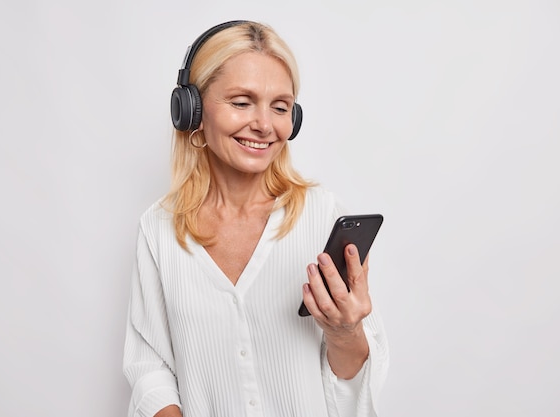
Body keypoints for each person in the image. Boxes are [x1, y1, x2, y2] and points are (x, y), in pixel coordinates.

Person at [122, 20, 389, 417]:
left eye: (280, 107)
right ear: (191, 110)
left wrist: (345, 334)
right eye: (242, 102)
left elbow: (352, 388)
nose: (265, 125)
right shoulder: (158, 228)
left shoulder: (321, 215)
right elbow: (150, 367)